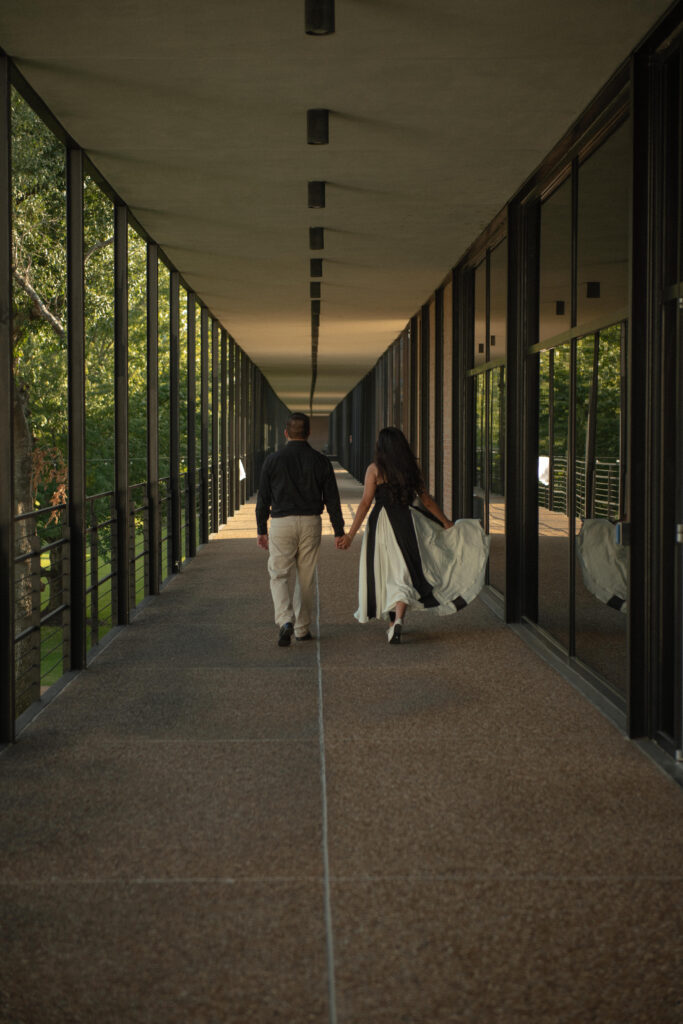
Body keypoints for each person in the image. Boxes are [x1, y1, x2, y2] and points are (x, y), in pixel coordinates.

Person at [337, 427, 489, 643]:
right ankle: (396, 620)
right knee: (403, 571)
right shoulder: (410, 468)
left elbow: (365, 503)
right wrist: (446, 522)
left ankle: (395, 622)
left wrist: (351, 535)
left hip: (380, 523)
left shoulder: (374, 470)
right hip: (406, 522)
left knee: (389, 571)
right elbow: (426, 500)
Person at [256, 412, 345, 646]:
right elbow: (332, 499)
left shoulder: (272, 460)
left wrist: (260, 528)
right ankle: (302, 628)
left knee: (278, 574)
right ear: (308, 433)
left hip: (281, 523)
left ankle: (285, 619)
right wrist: (338, 530)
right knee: (305, 578)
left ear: (286, 433)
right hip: (310, 522)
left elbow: (263, 498)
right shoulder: (320, 461)